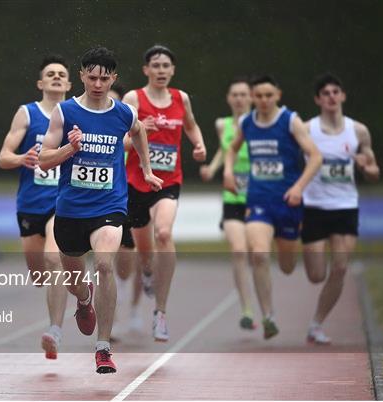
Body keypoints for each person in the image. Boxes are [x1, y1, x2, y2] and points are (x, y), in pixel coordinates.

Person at [39, 47, 162, 374]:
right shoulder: (65, 113)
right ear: (81, 75)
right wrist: (70, 148)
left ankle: (103, 347)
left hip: (110, 205)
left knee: (105, 263)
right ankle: (84, 299)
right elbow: (43, 158)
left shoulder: (124, 113)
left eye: (104, 78)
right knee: (75, 281)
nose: (97, 83)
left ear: (114, 78)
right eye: (92, 77)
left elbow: (139, 133)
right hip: (71, 209)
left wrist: (147, 170)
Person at [224, 75, 322, 340]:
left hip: (288, 202)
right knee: (258, 254)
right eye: (259, 96)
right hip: (258, 201)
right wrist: (229, 172)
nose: (264, 101)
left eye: (269, 95)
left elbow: (315, 156)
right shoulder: (247, 122)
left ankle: (286, 256)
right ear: (253, 98)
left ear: (278, 95)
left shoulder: (290, 120)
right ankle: (268, 315)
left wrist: (299, 187)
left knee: (288, 265)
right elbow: (232, 150)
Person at [123, 45, 207, 342]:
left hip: (168, 181)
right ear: (146, 70)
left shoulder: (180, 99)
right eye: (155, 65)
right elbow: (118, 142)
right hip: (136, 183)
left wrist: (199, 145)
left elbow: (192, 127)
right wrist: (138, 131)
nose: (160, 70)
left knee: (163, 234)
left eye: (165, 66)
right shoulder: (134, 98)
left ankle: (160, 312)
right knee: (144, 252)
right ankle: (146, 270)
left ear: (172, 70)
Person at [0, 55, 71, 359]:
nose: (55, 77)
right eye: (50, 74)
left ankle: (54, 330)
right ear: (41, 83)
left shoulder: (75, 114)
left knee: (55, 259)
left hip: (62, 203)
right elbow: (3, 157)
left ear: (68, 84)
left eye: (61, 74)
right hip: (30, 204)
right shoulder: (26, 114)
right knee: (39, 274)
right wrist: (22, 159)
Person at [301, 73, 379, 344]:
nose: (331, 97)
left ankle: (316, 324)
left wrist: (367, 168)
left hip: (346, 206)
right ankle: (311, 264)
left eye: (336, 92)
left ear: (343, 96)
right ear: (318, 99)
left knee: (341, 268)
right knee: (316, 274)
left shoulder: (358, 131)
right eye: (326, 93)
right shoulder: (307, 129)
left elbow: (373, 171)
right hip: (314, 206)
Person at [199, 77, 256, 330]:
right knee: (239, 250)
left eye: (244, 94)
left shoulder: (260, 124)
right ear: (229, 98)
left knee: (259, 253)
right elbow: (226, 149)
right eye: (235, 95)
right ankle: (246, 309)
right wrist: (212, 168)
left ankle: (263, 302)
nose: (240, 99)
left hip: (259, 198)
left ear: (251, 98)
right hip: (233, 197)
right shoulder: (222, 124)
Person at [108, 83, 144, 335]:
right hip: (97, 196)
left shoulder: (127, 125)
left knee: (129, 260)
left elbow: (132, 142)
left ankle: (131, 307)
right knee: (103, 259)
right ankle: (111, 318)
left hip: (126, 194)